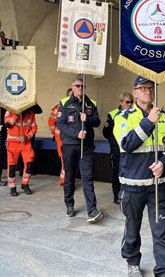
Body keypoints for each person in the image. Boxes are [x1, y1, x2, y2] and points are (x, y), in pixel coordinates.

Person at [113, 76, 165, 277]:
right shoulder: (123, 117)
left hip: (158, 186)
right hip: (133, 186)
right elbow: (127, 144)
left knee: (161, 232)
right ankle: (132, 262)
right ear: (134, 92)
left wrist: (164, 163)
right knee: (132, 229)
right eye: (142, 88)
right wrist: (148, 122)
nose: (147, 91)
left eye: (150, 88)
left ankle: (164, 271)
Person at [56, 75, 103, 223]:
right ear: (72, 86)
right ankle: (69, 204)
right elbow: (60, 124)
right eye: (77, 86)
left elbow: (97, 121)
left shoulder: (91, 103)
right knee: (70, 177)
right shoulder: (64, 103)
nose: (80, 88)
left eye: (83, 86)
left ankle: (92, 210)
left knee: (87, 178)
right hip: (70, 145)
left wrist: (87, 119)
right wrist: (76, 133)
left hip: (87, 146)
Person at [102, 91, 133, 204]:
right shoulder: (113, 114)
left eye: (131, 102)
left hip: (129, 148)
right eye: (127, 102)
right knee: (117, 172)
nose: (130, 105)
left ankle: (128, 195)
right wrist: (113, 142)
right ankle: (117, 195)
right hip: (117, 149)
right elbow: (106, 132)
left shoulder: (133, 114)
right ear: (121, 102)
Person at [4, 107, 37, 196]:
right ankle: (12, 187)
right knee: (11, 166)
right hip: (12, 143)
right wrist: (16, 115)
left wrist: (27, 136)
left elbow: (34, 128)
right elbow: (8, 125)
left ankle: (25, 184)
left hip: (26, 143)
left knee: (30, 164)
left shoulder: (31, 114)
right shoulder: (9, 112)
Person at [48, 88, 72, 186]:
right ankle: (64, 180)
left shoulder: (79, 107)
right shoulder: (59, 107)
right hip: (61, 137)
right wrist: (55, 132)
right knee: (64, 158)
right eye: (70, 95)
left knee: (70, 159)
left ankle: (67, 179)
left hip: (73, 137)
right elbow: (51, 121)